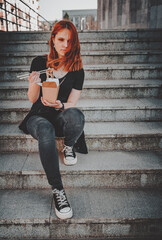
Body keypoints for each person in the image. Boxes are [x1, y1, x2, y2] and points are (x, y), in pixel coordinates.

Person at [19, 20, 88, 220]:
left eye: (70, 40)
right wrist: (33, 84)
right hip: (38, 115)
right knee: (45, 129)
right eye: (61, 39)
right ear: (53, 39)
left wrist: (60, 105)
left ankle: (68, 146)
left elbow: (73, 102)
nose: (65, 45)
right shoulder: (39, 63)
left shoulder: (77, 69)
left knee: (77, 115)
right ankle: (58, 190)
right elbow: (32, 99)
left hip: (60, 113)